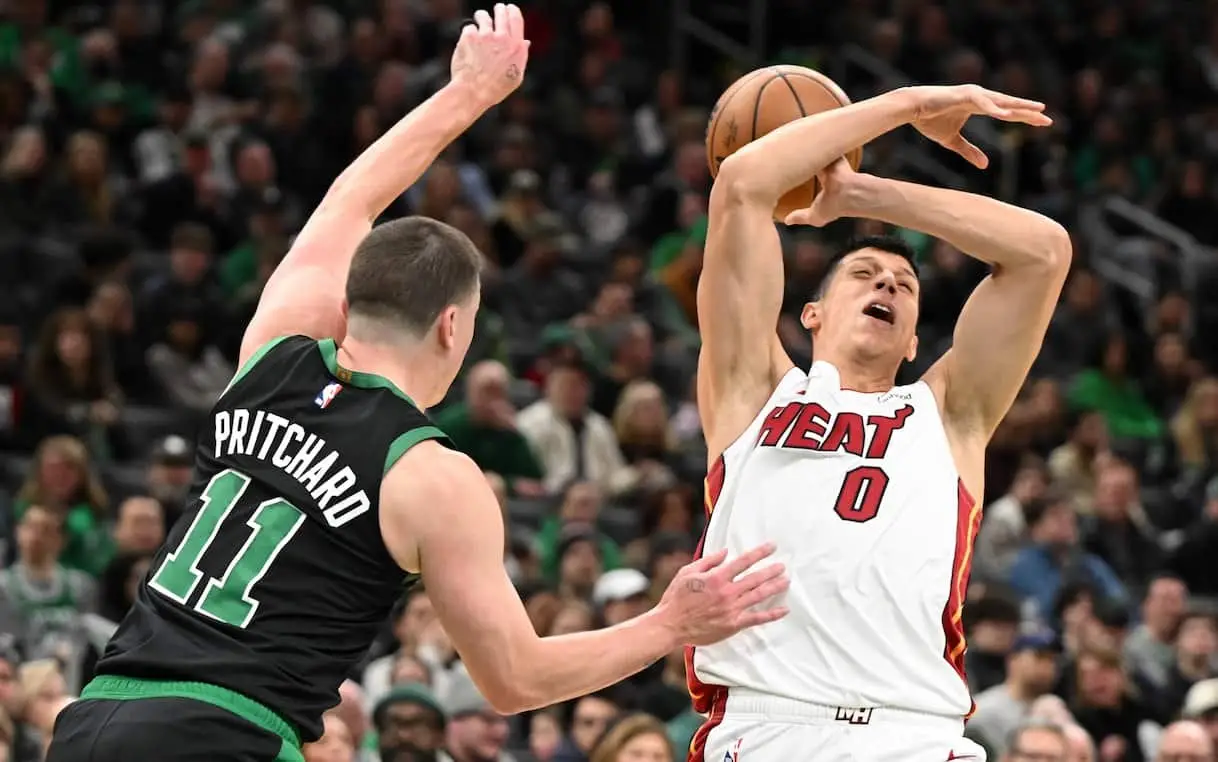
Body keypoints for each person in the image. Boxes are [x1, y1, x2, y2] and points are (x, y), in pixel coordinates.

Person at [46, 8, 787, 762]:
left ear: (351, 301)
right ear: (451, 327)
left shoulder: (272, 353)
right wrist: (669, 624)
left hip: (95, 714)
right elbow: (516, 678)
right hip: (225, 735)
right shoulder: (431, 476)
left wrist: (468, 92)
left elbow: (349, 200)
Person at [689, 82, 1069, 762]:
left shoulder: (950, 415)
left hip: (918, 732)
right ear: (811, 314)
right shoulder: (754, 388)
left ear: (916, 340)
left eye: (905, 284)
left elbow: (1043, 251)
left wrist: (864, 195)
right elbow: (743, 184)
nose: (887, 284)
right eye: (863, 273)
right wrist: (909, 105)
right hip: (774, 725)